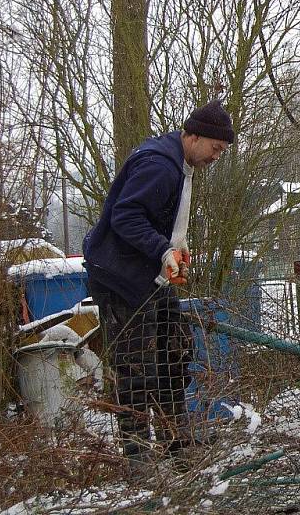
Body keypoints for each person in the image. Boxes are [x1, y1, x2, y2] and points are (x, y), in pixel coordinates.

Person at [83, 99, 233, 463]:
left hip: (149, 280)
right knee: (135, 370)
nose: (216, 157)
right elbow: (126, 216)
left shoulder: (180, 164)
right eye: (215, 148)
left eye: (222, 151)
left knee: (173, 357)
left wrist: (175, 245)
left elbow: (159, 216)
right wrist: (162, 249)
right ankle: (138, 458)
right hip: (121, 280)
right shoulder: (159, 166)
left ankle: (175, 443)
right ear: (194, 136)